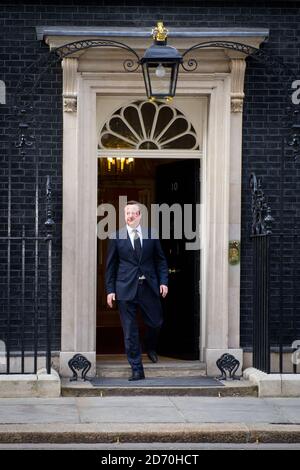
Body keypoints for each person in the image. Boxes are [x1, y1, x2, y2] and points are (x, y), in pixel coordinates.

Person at [105, 200, 168, 381]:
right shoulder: (116, 237)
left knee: (156, 322)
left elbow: (160, 261)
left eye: (133, 213)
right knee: (130, 330)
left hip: (148, 287)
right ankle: (136, 368)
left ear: (140, 215)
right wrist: (110, 290)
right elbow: (110, 266)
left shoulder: (151, 235)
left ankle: (150, 346)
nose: (130, 216)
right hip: (125, 288)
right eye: (127, 213)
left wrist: (163, 281)